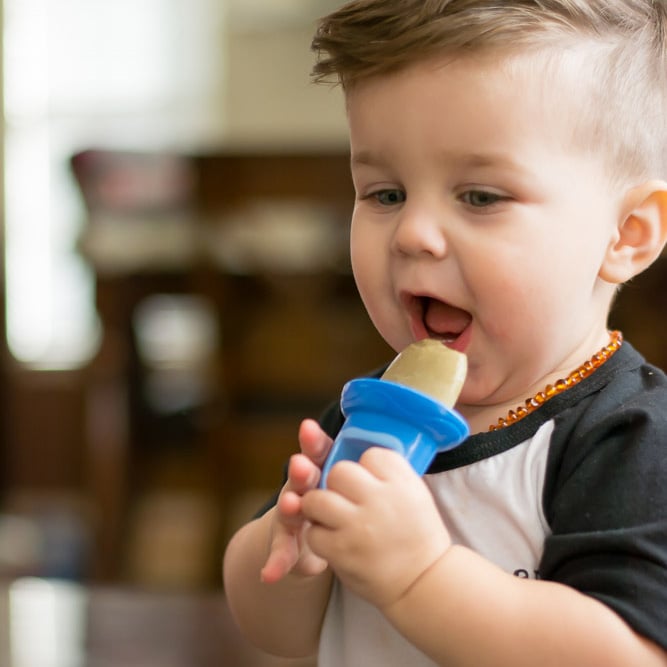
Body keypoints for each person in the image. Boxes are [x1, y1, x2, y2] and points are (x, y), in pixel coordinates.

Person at [222, 1, 667, 665]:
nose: (412, 234)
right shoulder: (371, 413)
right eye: (384, 194)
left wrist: (419, 575)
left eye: (480, 197)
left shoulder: (627, 437)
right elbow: (276, 632)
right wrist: (292, 545)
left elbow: (624, 654)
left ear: (625, 235)